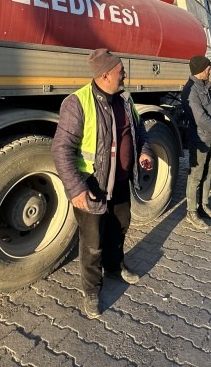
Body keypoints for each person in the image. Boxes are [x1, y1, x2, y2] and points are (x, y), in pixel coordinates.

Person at [52, 48, 154, 319]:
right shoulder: (78, 102)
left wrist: (144, 151)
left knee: (120, 227)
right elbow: (61, 149)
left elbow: (139, 130)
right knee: (92, 243)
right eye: (121, 71)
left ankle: (115, 267)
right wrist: (75, 188)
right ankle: (91, 291)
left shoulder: (125, 98)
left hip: (120, 181)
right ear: (105, 74)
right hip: (92, 186)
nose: (125, 75)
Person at [181, 55, 211, 230]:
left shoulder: (205, 87)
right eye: (208, 67)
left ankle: (204, 205)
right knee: (196, 177)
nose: (210, 69)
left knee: (209, 174)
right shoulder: (191, 90)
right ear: (201, 69)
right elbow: (200, 117)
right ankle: (191, 212)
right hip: (199, 139)